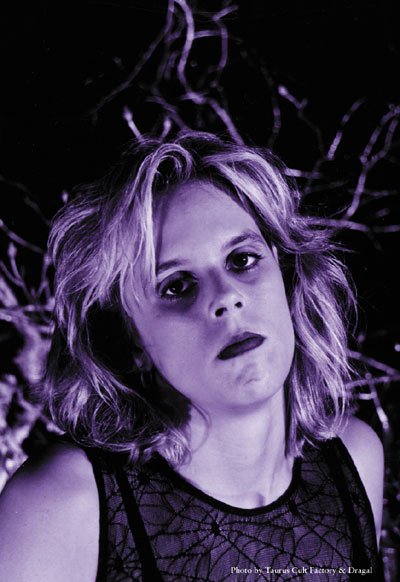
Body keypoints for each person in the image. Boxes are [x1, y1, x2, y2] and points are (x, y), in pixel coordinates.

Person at [0, 131, 383, 581]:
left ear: (286, 275)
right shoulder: (61, 505)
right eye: (176, 286)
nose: (226, 297)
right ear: (129, 338)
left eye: (242, 260)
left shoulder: (354, 460)